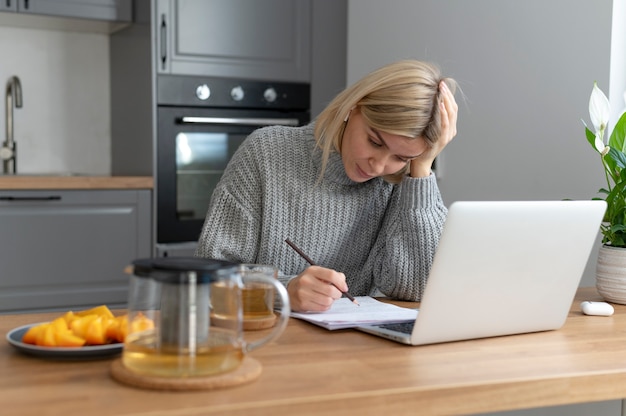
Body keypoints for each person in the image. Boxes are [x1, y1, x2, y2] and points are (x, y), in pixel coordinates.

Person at [195, 59, 459, 312]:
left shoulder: (399, 184)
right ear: (353, 108)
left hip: (353, 351)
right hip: (264, 344)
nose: (378, 166)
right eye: (375, 142)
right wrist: (282, 292)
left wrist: (422, 169)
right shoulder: (266, 153)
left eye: (401, 157)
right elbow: (209, 278)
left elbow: (416, 289)